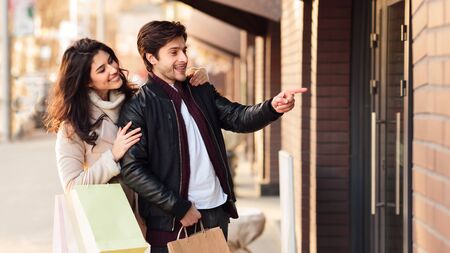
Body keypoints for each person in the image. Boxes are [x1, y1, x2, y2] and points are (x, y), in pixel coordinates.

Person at [117, 21, 307, 253]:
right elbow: (133, 169)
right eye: (173, 52)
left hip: (216, 212)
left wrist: (272, 107)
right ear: (151, 58)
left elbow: (237, 117)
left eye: (184, 50)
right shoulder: (138, 107)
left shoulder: (200, 89)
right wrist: (178, 207)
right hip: (172, 220)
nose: (184, 58)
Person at [45, 38, 209, 193]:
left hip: (153, 210)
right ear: (86, 81)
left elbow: (170, 102)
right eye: (102, 70)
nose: (113, 69)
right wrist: (113, 155)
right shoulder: (72, 127)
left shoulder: (136, 100)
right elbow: (71, 186)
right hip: (113, 216)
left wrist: (196, 78)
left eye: (111, 61)